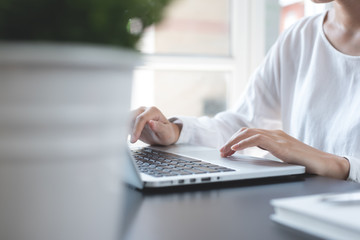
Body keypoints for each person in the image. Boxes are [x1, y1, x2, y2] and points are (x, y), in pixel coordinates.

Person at [130, 0, 360, 183]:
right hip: (298, 207)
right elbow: (243, 124)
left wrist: (339, 165)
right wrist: (176, 131)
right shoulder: (299, 37)